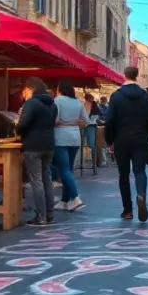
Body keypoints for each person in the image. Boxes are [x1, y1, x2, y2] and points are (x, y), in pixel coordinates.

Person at [104, 66, 148, 221]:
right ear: (137, 75)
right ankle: (141, 195)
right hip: (140, 139)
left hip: (121, 140)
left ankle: (127, 210)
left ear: (124, 75)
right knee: (140, 171)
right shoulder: (145, 96)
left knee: (123, 174)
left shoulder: (116, 96)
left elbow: (109, 121)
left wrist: (110, 140)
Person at [15, 78, 57, 226]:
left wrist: (17, 129)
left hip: (33, 145)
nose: (24, 94)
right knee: (46, 179)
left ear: (30, 89)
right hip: (49, 144)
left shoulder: (31, 103)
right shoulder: (52, 104)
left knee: (36, 181)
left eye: (25, 91)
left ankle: (41, 216)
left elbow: (23, 123)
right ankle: (50, 214)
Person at [54, 80, 87, 212]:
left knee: (64, 170)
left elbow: (55, 120)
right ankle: (64, 201)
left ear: (60, 89)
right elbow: (86, 120)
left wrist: (63, 122)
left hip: (61, 137)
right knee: (69, 170)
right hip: (75, 138)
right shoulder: (78, 102)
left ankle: (75, 197)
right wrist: (74, 122)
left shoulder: (58, 100)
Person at [83, 93, 100, 164]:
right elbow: (97, 116)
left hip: (87, 125)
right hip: (92, 125)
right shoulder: (94, 105)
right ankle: (94, 162)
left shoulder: (85, 105)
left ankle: (92, 161)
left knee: (88, 144)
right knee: (92, 144)